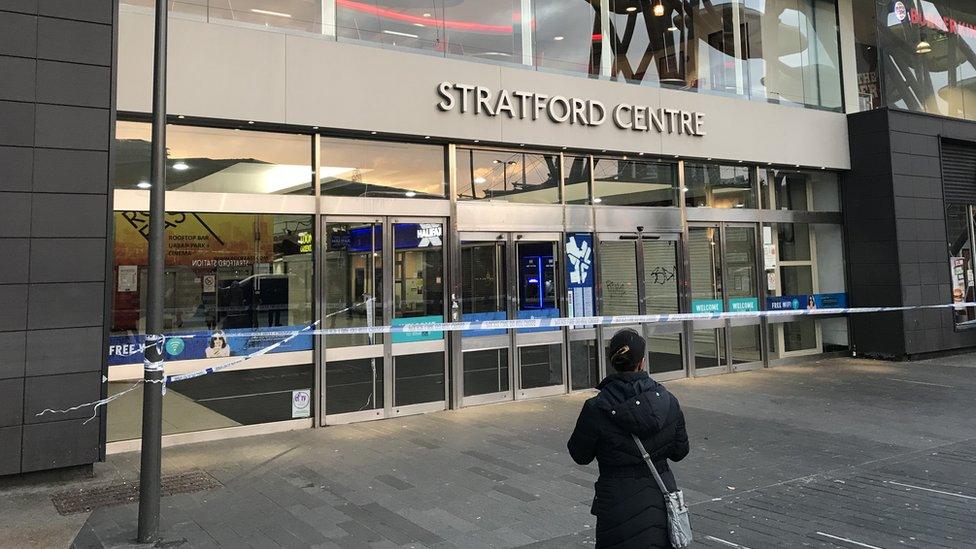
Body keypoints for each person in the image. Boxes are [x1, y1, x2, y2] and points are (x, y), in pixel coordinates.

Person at [568, 328, 690, 549]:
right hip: (659, 503)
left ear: (612, 361)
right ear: (642, 362)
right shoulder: (668, 401)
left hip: (615, 507)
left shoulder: (595, 408)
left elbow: (580, 454)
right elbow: (680, 452)